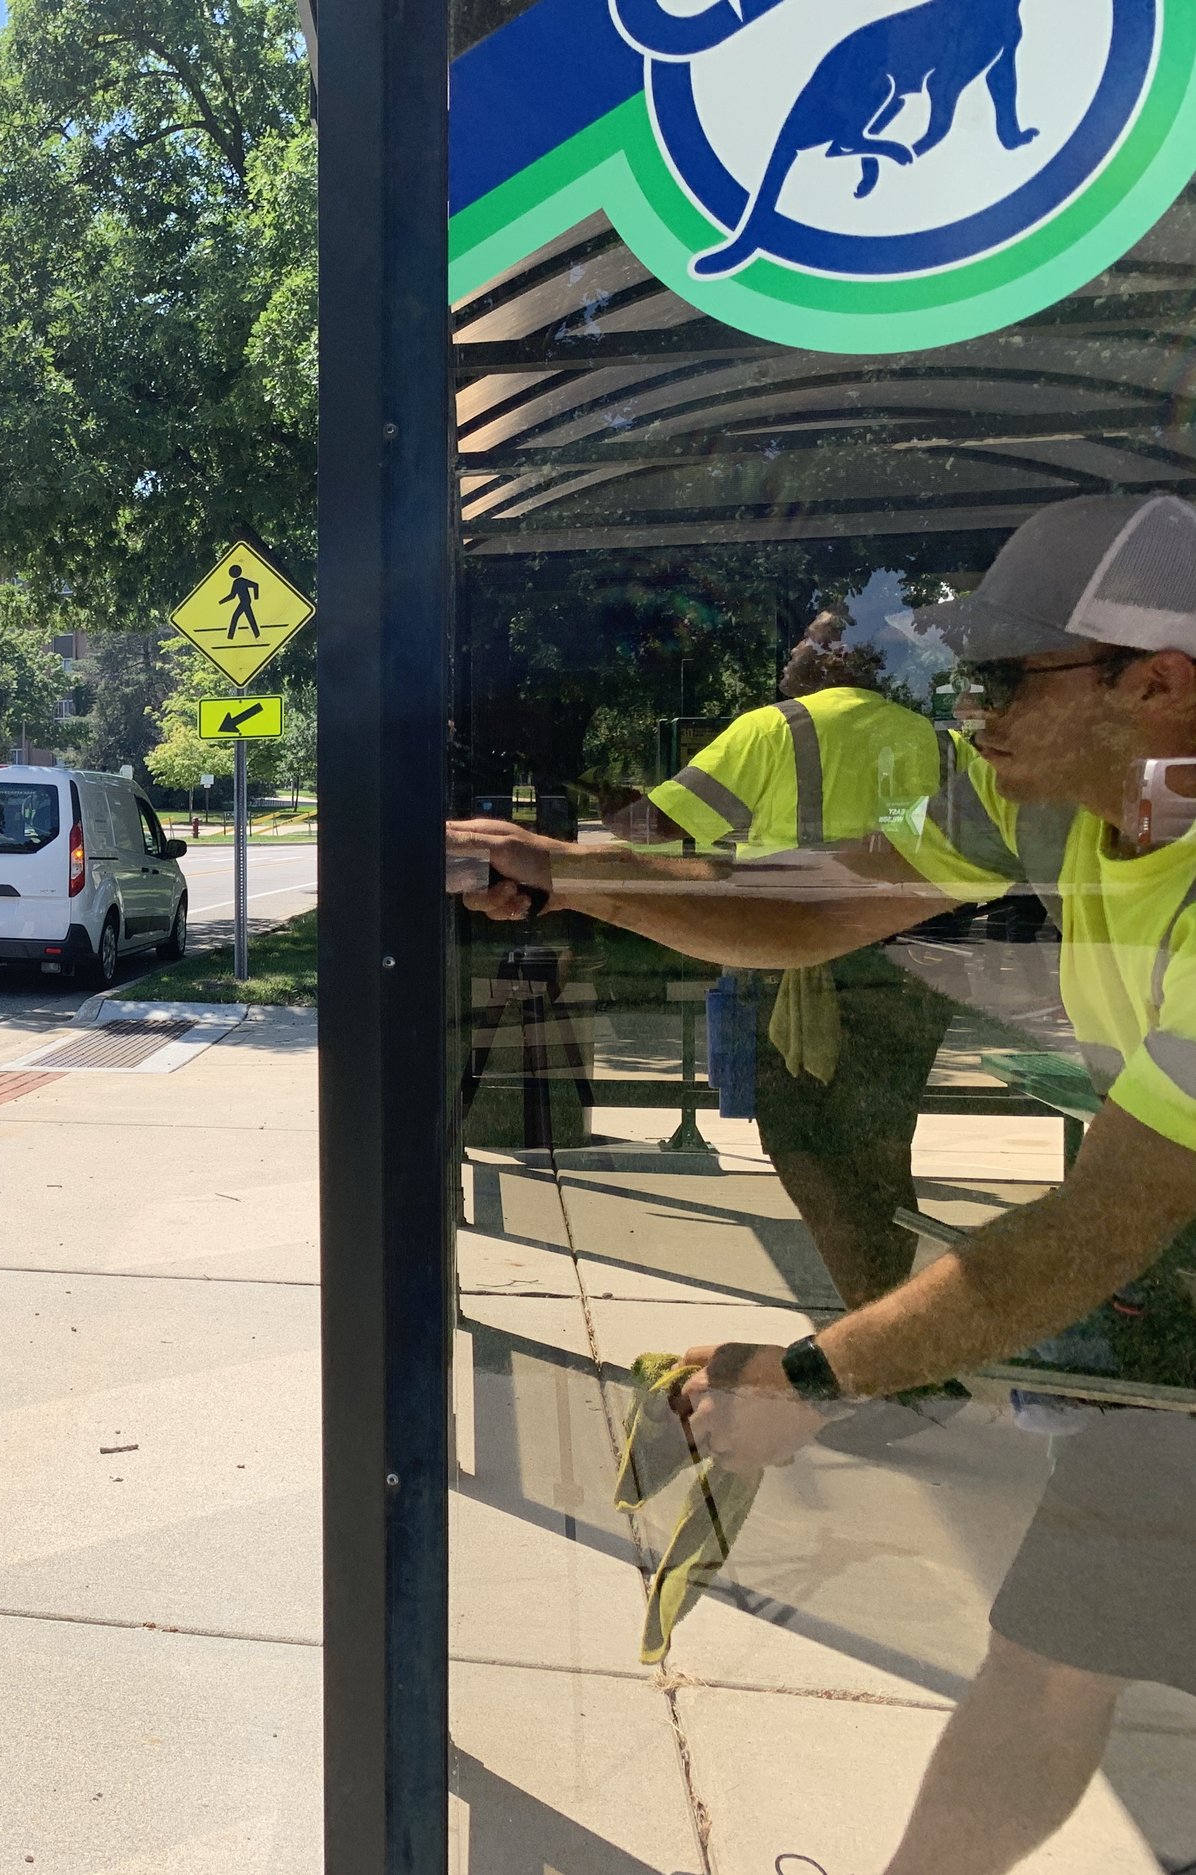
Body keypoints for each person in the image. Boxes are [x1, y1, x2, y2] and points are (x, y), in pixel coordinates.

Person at [454, 493, 1196, 1875]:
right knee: (1047, 1663)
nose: (970, 705)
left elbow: (1110, 1218)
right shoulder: (1057, 802)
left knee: (1052, 1660)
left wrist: (807, 1374)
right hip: (1179, 1353)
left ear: (1158, 685)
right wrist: (568, 876)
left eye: (1009, 676)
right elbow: (808, 897)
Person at [630, 608, 957, 1309]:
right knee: (880, 1146)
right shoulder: (935, 741)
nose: (791, 651)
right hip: (912, 974)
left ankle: (877, 1328)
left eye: (808, 639)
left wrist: (590, 811)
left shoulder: (772, 728)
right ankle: (899, 1318)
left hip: (796, 966)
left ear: (840, 657)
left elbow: (658, 832)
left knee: (801, 1141)